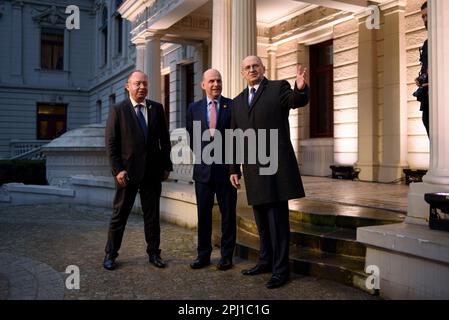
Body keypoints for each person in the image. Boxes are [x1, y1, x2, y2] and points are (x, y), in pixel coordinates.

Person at [229, 56, 309, 289]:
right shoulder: (237, 102)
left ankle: (281, 270)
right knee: (261, 222)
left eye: (256, 66)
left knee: (277, 223)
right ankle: (265, 261)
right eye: (247, 67)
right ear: (242, 73)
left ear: (263, 68)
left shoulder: (278, 88)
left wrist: (301, 88)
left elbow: (295, 100)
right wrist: (234, 169)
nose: (252, 69)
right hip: (253, 170)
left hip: (276, 168)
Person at [103, 70, 173, 270]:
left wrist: (167, 166)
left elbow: (164, 141)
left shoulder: (157, 108)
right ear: (128, 86)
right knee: (119, 216)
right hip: (127, 174)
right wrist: (117, 170)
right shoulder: (118, 110)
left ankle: (154, 253)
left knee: (152, 217)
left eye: (144, 83)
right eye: (137, 84)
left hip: (152, 173)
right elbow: (111, 143)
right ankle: (110, 254)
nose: (142, 87)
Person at [186, 69, 237, 271]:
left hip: (226, 172)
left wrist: (234, 168)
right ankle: (203, 256)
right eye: (212, 81)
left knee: (228, 217)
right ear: (203, 85)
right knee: (203, 216)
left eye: (219, 80)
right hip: (203, 172)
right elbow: (192, 137)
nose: (216, 84)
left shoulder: (231, 106)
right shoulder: (194, 108)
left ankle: (226, 257)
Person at [414, 1, 429, 137]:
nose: (425, 20)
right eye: (423, 17)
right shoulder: (427, 43)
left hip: (439, 94)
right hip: (427, 95)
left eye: (427, 16)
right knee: (427, 121)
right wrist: (420, 79)